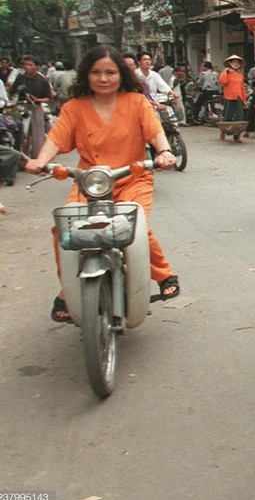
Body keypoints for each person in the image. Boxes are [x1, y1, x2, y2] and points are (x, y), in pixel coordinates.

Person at [24, 45, 179, 322]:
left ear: (121, 74)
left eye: (110, 72)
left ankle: (163, 274)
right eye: (96, 72)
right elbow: (56, 140)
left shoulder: (136, 102)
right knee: (65, 231)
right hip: (89, 182)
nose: (103, 78)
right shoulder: (74, 108)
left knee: (136, 227)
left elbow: (155, 133)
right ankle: (67, 291)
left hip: (133, 177)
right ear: (87, 75)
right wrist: (40, 160)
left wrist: (165, 152)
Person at [9, 54, 54, 159]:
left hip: (35, 107)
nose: (27, 67)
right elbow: (12, 91)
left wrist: (38, 100)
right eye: (25, 64)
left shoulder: (42, 80)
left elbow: (49, 97)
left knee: (37, 133)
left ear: (36, 67)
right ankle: (21, 158)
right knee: (20, 133)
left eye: (30, 65)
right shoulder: (20, 78)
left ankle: (38, 158)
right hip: (21, 107)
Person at [218, 54, 247, 142]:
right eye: (234, 62)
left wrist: (244, 100)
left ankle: (236, 136)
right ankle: (223, 131)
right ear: (230, 63)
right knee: (227, 116)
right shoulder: (226, 73)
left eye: (237, 62)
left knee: (239, 117)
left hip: (239, 97)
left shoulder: (240, 75)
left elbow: (242, 88)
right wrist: (225, 72)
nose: (236, 64)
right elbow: (222, 81)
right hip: (229, 97)